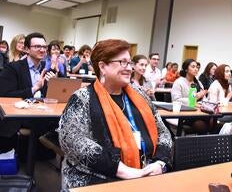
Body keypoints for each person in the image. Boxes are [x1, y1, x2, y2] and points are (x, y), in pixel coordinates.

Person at [58, 39, 172, 189]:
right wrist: (122, 170)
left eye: (130, 63)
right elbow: (73, 140)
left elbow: (163, 131)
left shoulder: (140, 95)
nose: (129, 68)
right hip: (98, 178)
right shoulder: (83, 98)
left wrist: (160, 162)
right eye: (122, 62)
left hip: (147, 174)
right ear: (102, 66)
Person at [0, 32, 56, 98]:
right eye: (37, 46)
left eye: (44, 47)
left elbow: (49, 96)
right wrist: (35, 88)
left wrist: (53, 86)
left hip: (42, 107)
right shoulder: (13, 68)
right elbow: (5, 94)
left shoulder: (46, 68)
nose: (42, 50)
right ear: (27, 49)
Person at [171, 59, 208, 134]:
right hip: (184, 113)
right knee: (201, 125)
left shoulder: (198, 83)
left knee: (212, 121)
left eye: (197, 67)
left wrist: (202, 103)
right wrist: (194, 98)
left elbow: (204, 100)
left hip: (199, 112)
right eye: (193, 67)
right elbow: (176, 100)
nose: (196, 69)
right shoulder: (179, 82)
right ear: (186, 69)